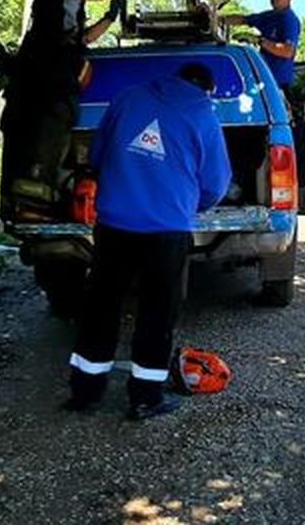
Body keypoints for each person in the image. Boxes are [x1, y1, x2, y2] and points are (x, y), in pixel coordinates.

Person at [66, 63, 231, 420]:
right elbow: (216, 183)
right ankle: (144, 398)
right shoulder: (203, 114)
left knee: (101, 306)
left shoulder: (127, 98)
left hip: (114, 224)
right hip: (167, 231)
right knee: (157, 311)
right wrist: (187, 204)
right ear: (206, 89)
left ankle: (84, 392)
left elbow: (97, 155)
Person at [0, 0, 125, 221]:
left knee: (41, 150)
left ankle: (29, 207)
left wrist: (109, 19)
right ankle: (31, 209)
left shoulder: (61, 6)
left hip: (39, 89)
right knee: (40, 149)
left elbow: (83, 38)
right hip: (45, 90)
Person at [221, 0, 301, 93]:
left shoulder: (290, 20)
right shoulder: (269, 16)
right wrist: (217, 20)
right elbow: (243, 19)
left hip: (278, 88)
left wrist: (258, 40)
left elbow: (287, 51)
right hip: (263, 84)